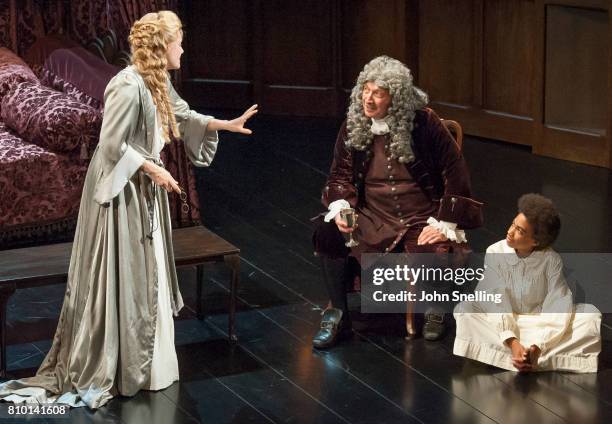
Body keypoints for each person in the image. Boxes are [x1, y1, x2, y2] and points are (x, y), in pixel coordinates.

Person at [0, 11, 257, 408]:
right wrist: (153, 168)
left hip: (144, 188)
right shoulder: (127, 85)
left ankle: (150, 362)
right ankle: (121, 363)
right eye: (178, 42)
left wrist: (225, 124)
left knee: (149, 270)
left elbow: (182, 116)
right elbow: (111, 144)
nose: (183, 49)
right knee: (129, 271)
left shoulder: (157, 82)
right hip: (122, 191)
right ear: (161, 47)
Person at [312, 56, 483, 349]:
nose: (368, 98)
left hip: (420, 217)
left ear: (397, 96)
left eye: (378, 92)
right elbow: (339, 174)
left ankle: (435, 310)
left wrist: (445, 222)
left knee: (436, 245)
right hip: (372, 217)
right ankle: (338, 313)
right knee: (328, 232)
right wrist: (341, 207)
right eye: (365, 90)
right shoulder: (353, 124)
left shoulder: (425, 124)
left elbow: (455, 171)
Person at [453, 194, 601, 372]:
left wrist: (537, 346)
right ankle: (524, 358)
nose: (510, 231)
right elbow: (494, 298)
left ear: (536, 241)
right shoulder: (495, 251)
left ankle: (526, 357)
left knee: (590, 315)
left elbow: (558, 302)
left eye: (520, 231)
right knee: (465, 310)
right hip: (502, 327)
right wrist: (512, 341)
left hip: (539, 327)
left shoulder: (551, 259)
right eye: (513, 224)